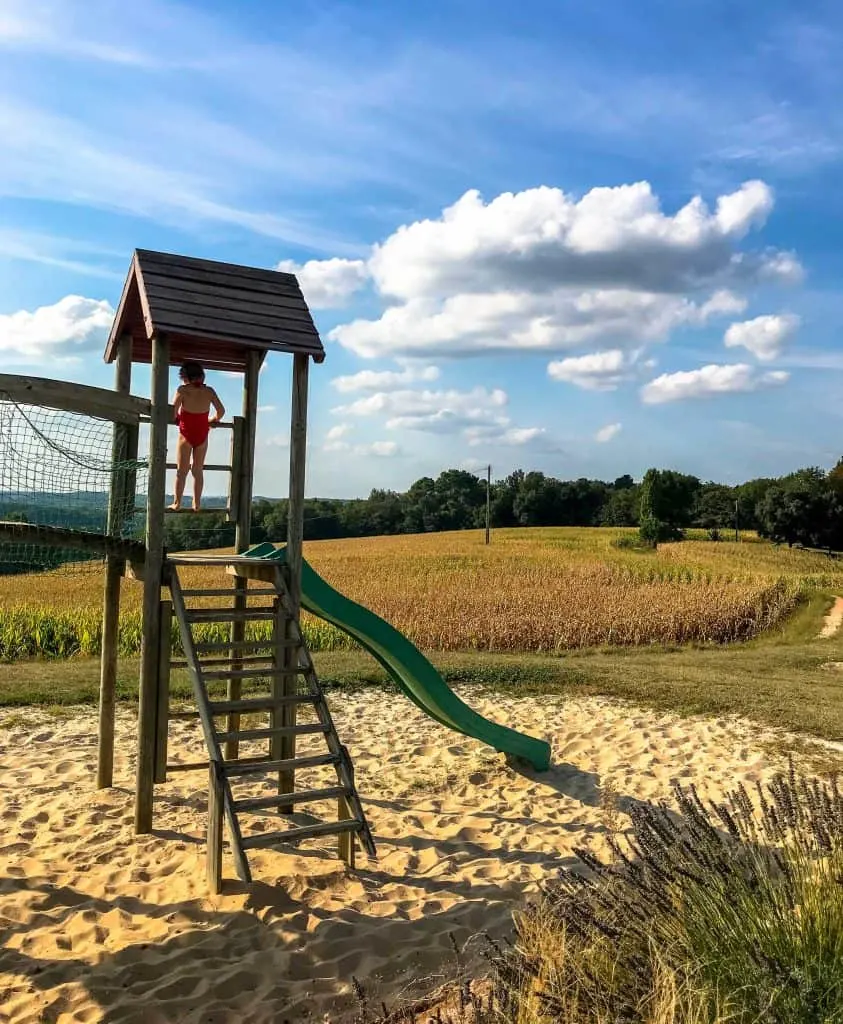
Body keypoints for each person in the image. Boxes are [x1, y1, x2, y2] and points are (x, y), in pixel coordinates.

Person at [169, 362, 225, 512]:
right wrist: (213, 420)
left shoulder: (182, 390)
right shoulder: (209, 391)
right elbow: (221, 411)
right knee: (197, 470)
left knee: (182, 471)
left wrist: (177, 419)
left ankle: (177, 503)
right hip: (202, 432)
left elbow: (173, 412)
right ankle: (197, 503)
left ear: (184, 377)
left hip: (186, 433)